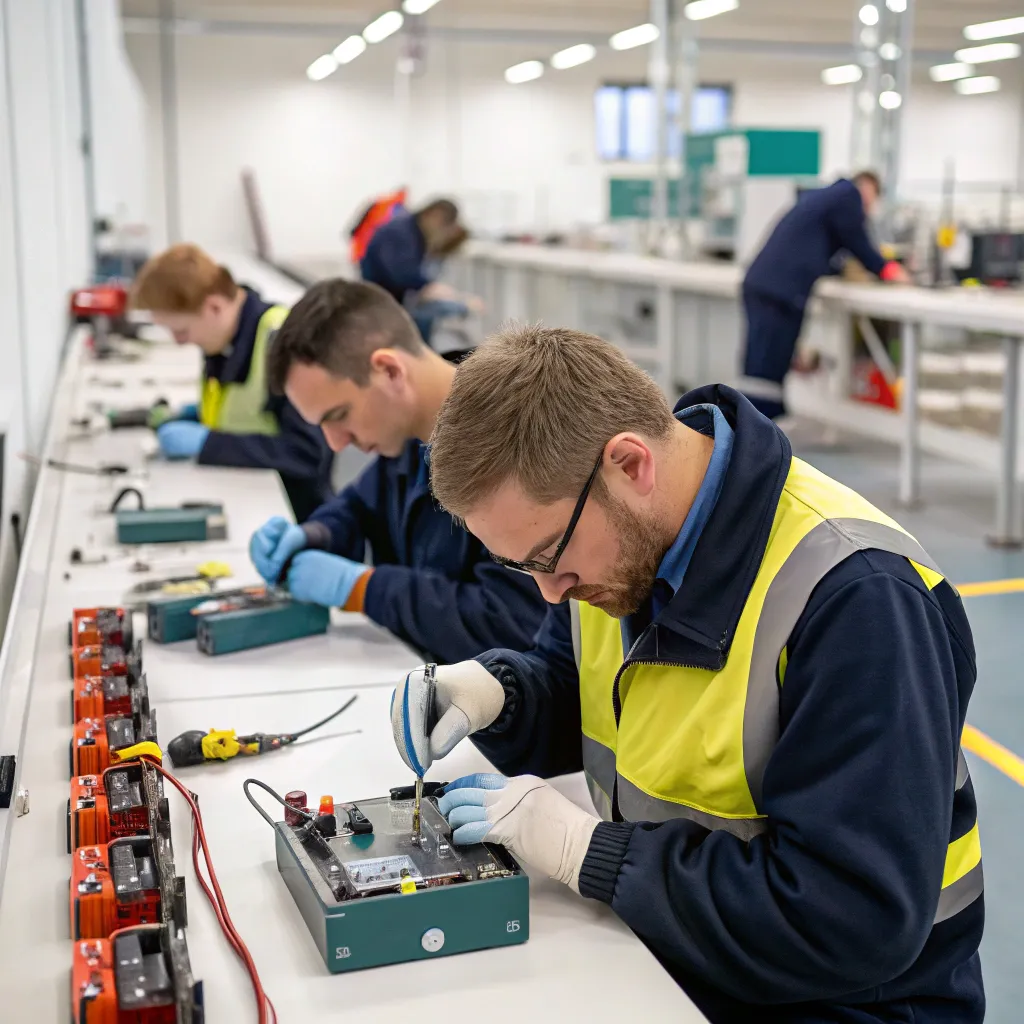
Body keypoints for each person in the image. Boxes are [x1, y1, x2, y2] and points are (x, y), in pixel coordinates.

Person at [391, 324, 984, 1023]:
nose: (549, 592)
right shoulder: (618, 548)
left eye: (549, 555)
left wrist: (592, 853)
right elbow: (583, 689)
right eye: (523, 567)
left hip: (841, 1006)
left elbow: (849, 916)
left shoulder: (854, 598)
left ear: (630, 463)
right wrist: (500, 693)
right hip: (685, 956)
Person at [248, 279, 547, 664]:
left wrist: (364, 589)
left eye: (339, 416)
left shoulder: (513, 443)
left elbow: (507, 623)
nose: (336, 444)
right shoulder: (409, 430)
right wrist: (316, 533)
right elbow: (359, 506)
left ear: (389, 371)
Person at [131, 244, 333, 522]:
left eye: (181, 330)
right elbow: (249, 412)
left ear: (214, 306)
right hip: (248, 497)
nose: (179, 342)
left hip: (293, 516)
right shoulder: (225, 341)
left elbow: (306, 455)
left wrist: (208, 442)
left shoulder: (282, 343)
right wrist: (200, 415)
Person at [740, 171, 911, 419]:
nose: (868, 209)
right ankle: (761, 434)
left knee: (757, 368)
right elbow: (857, 240)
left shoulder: (821, 199)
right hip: (780, 294)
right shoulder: (847, 195)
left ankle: (753, 429)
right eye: (872, 199)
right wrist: (889, 269)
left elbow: (827, 249)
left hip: (764, 286)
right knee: (768, 370)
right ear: (866, 188)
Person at [359, 197, 478, 346]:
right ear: (434, 215)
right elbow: (402, 274)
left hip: (390, 299)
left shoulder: (410, 231)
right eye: (443, 226)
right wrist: (430, 288)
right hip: (381, 301)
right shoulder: (400, 232)